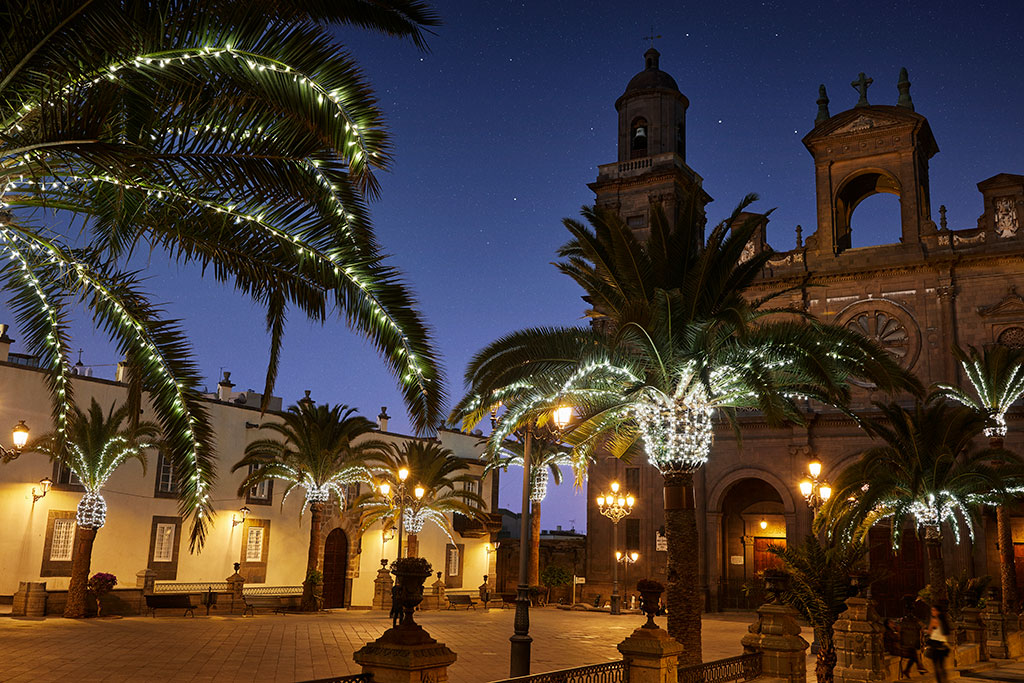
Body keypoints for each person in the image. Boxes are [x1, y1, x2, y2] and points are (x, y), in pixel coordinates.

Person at [899, 596, 926, 678]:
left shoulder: (910, 622)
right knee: (914, 654)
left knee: (913, 653)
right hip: (901, 647)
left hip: (907, 646)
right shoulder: (904, 622)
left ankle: (909, 670)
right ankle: (919, 667)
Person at [926, 601, 952, 683]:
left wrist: (924, 630)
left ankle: (940, 681)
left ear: (938, 611)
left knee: (936, 667)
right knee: (942, 666)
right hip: (943, 645)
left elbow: (929, 631)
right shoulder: (943, 620)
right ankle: (945, 681)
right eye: (932, 610)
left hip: (935, 645)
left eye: (934, 610)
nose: (932, 612)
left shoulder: (934, 620)